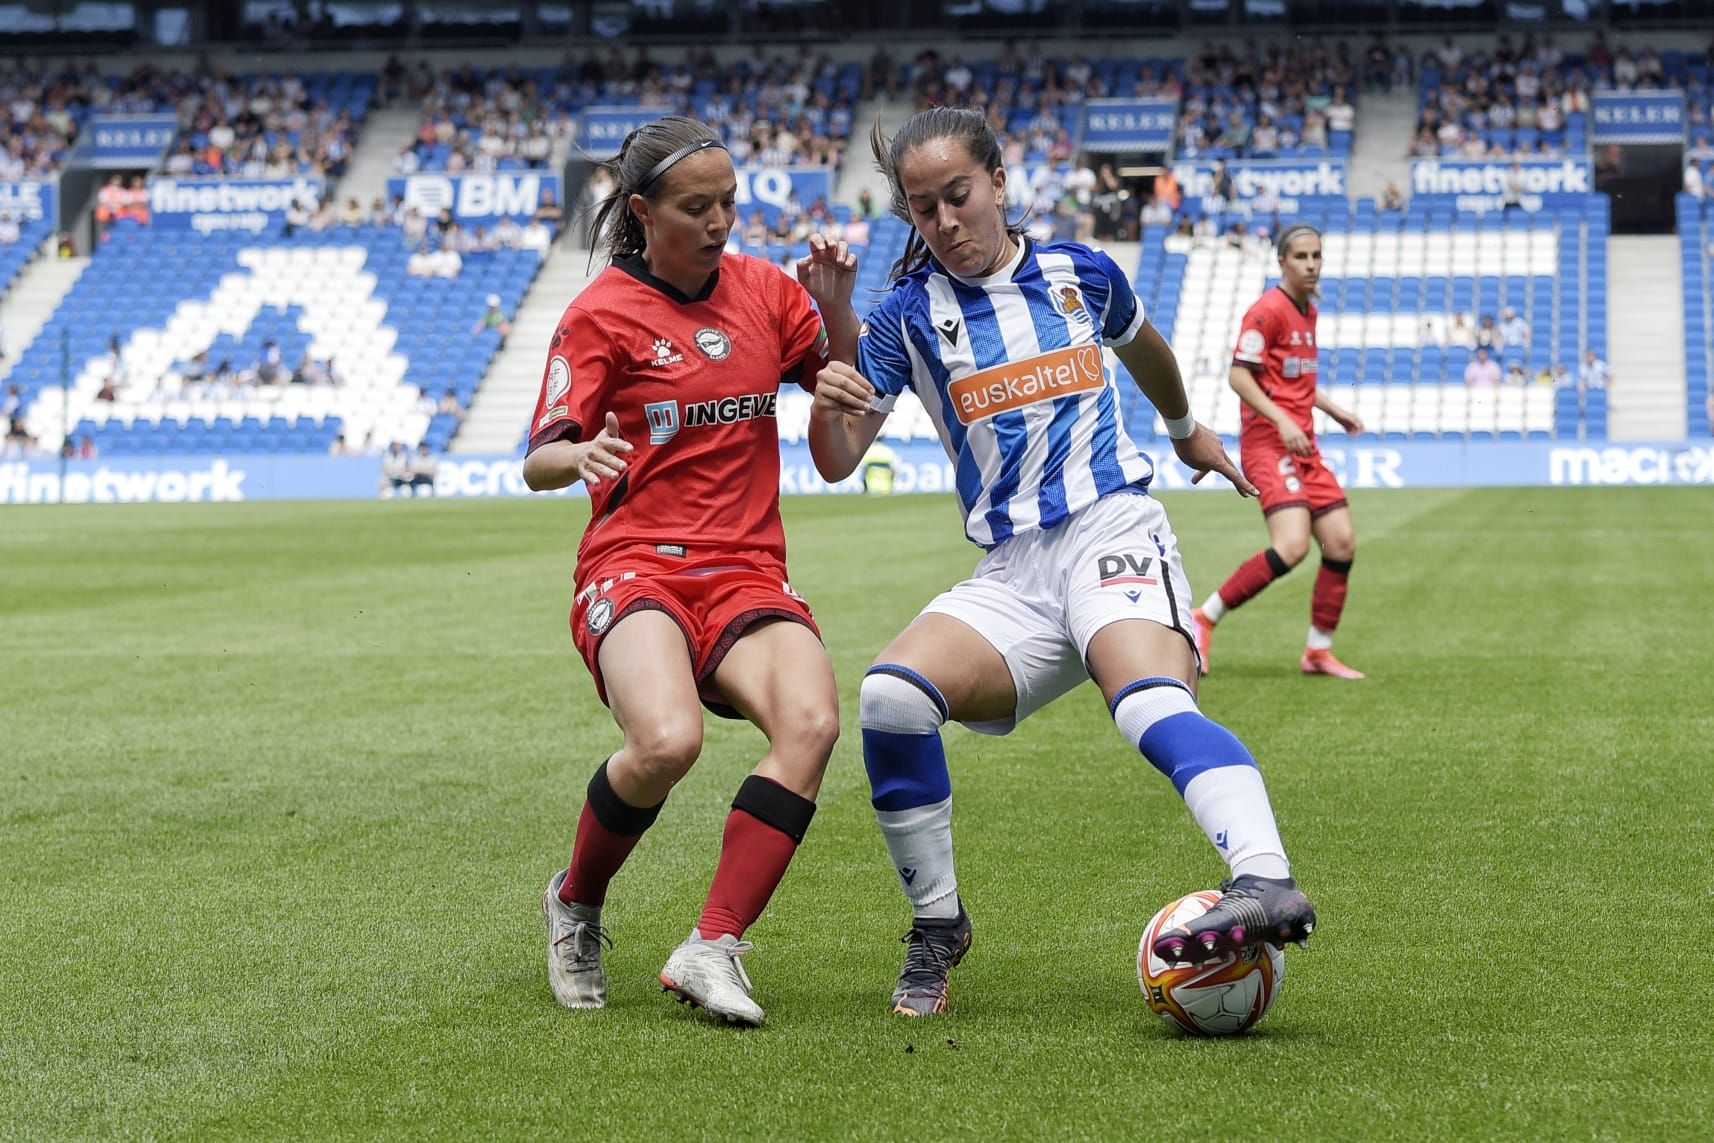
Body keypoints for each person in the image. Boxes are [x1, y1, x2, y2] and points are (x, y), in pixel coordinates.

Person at [807, 107, 1316, 1019]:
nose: (947, 221)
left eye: (959, 195)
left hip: (1109, 525)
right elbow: (836, 455)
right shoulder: (904, 318)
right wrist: (835, 331)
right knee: (890, 698)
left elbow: (1143, 346)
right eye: (924, 210)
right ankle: (938, 924)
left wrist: (1184, 427)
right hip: (1012, 570)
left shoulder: (1081, 272)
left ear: (999, 184)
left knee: (1149, 703)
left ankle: (1265, 878)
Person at [523, 115, 859, 1027]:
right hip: (636, 565)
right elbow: (539, 458)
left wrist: (837, 319)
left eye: (729, 204)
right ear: (642, 211)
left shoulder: (766, 293)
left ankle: (711, 946)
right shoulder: (601, 313)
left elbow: (839, 452)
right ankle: (577, 902)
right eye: (696, 207)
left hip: (747, 570)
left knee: (814, 721)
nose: (720, 222)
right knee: (668, 742)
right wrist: (580, 455)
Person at [1192, 224, 1368, 681]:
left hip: (1302, 442)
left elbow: (1296, 383)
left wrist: (1334, 411)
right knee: (1291, 547)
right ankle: (1203, 618)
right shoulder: (1267, 311)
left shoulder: (1308, 310)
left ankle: (1317, 651)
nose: (1311, 264)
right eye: (1301, 257)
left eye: (1317, 256)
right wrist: (1284, 420)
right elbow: (1239, 376)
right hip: (1270, 443)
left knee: (1342, 541)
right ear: (1282, 263)